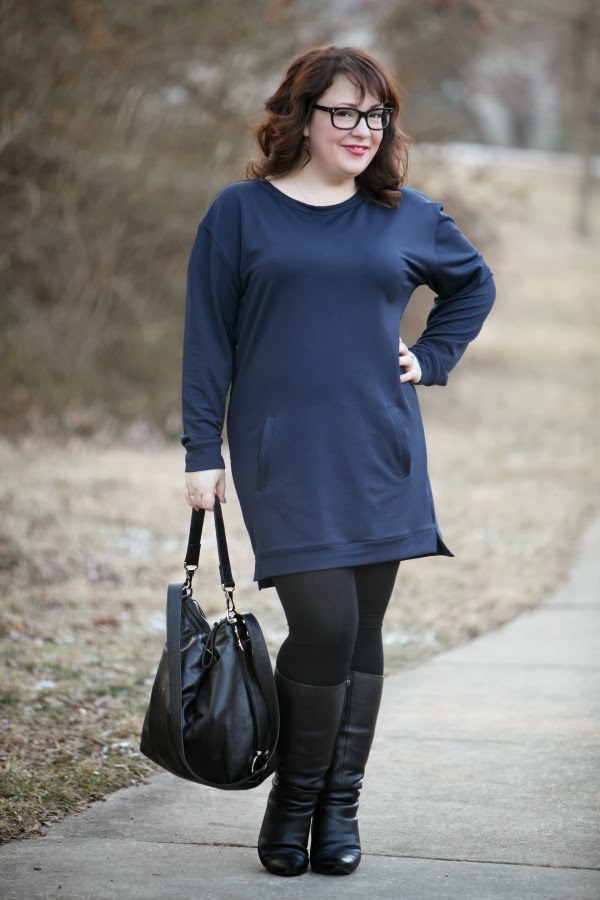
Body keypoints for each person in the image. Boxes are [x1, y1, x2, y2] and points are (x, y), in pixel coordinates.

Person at [181, 45, 495, 877]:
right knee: (322, 623)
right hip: (281, 452)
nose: (364, 129)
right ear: (301, 116)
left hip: (379, 449)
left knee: (361, 632)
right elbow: (207, 339)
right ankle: (293, 801)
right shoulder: (239, 214)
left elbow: (473, 286)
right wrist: (198, 449)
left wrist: (431, 357)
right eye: (345, 112)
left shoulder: (408, 214)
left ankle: (337, 811)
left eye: (377, 113)